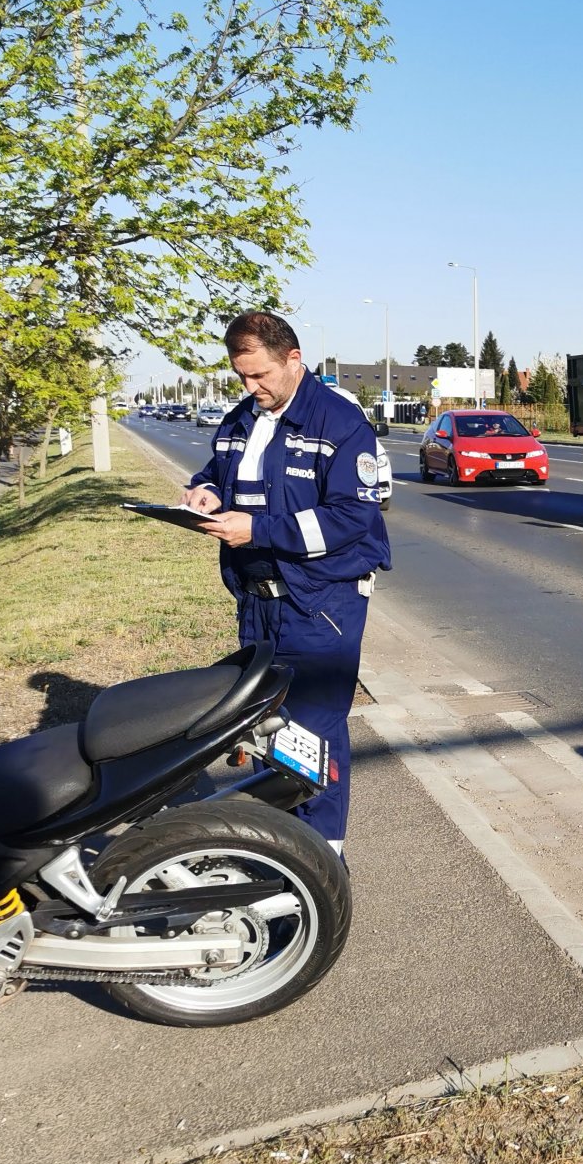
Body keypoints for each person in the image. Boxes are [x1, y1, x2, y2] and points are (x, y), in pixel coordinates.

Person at [184, 312, 391, 858]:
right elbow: (216, 470)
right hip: (258, 602)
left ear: (294, 360)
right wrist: (203, 491)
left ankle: (323, 867)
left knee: (312, 736)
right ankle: (285, 854)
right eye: (242, 377)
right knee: (270, 734)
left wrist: (257, 529)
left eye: (261, 376)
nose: (252, 388)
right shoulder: (242, 418)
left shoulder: (340, 423)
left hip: (321, 604)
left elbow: (352, 518)